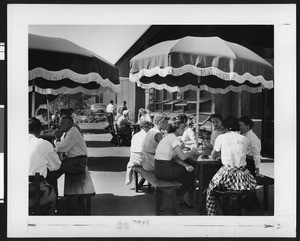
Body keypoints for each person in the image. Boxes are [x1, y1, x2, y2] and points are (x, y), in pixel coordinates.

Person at [206, 116, 257, 215]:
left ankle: (213, 212)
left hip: (228, 177)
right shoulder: (245, 139)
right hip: (244, 179)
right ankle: (239, 207)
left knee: (210, 188)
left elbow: (213, 155)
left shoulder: (221, 137)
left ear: (226, 127)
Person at [154, 116, 199, 208]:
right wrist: (193, 151)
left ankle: (181, 196)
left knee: (187, 169)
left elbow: (174, 157)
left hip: (158, 169)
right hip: (165, 170)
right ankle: (180, 196)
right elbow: (182, 156)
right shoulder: (174, 139)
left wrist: (185, 165)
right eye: (182, 128)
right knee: (192, 173)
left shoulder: (168, 137)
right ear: (175, 128)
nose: (183, 130)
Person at [29, 117, 61, 215]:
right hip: (37, 193)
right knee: (51, 193)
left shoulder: (11, 143)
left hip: (14, 193)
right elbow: (56, 166)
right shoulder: (44, 144)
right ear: (39, 132)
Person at [47, 115, 88, 189]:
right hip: (74, 161)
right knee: (53, 168)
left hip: (78, 163)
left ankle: (53, 195)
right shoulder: (69, 132)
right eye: (59, 123)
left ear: (70, 124)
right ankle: (53, 192)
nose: (59, 125)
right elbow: (61, 146)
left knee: (53, 169)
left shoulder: (72, 133)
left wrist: (57, 138)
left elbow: (61, 148)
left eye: (62, 123)